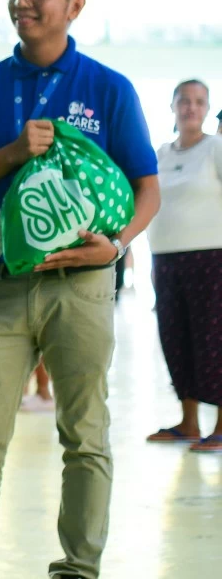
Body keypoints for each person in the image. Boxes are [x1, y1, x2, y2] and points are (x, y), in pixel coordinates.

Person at [0, 0, 160, 579]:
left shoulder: (107, 88)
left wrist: (117, 243)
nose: (22, 1)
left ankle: (78, 567)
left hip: (85, 282)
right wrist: (14, 152)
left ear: (75, 4)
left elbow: (146, 185)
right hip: (0, 283)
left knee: (86, 435)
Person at [145, 79, 222, 453]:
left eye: (199, 102)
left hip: (211, 259)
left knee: (214, 340)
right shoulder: (160, 152)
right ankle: (188, 422)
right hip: (165, 259)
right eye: (184, 101)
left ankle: (221, 427)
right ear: (172, 107)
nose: (191, 107)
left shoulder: (216, 148)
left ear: (207, 109)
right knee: (175, 338)